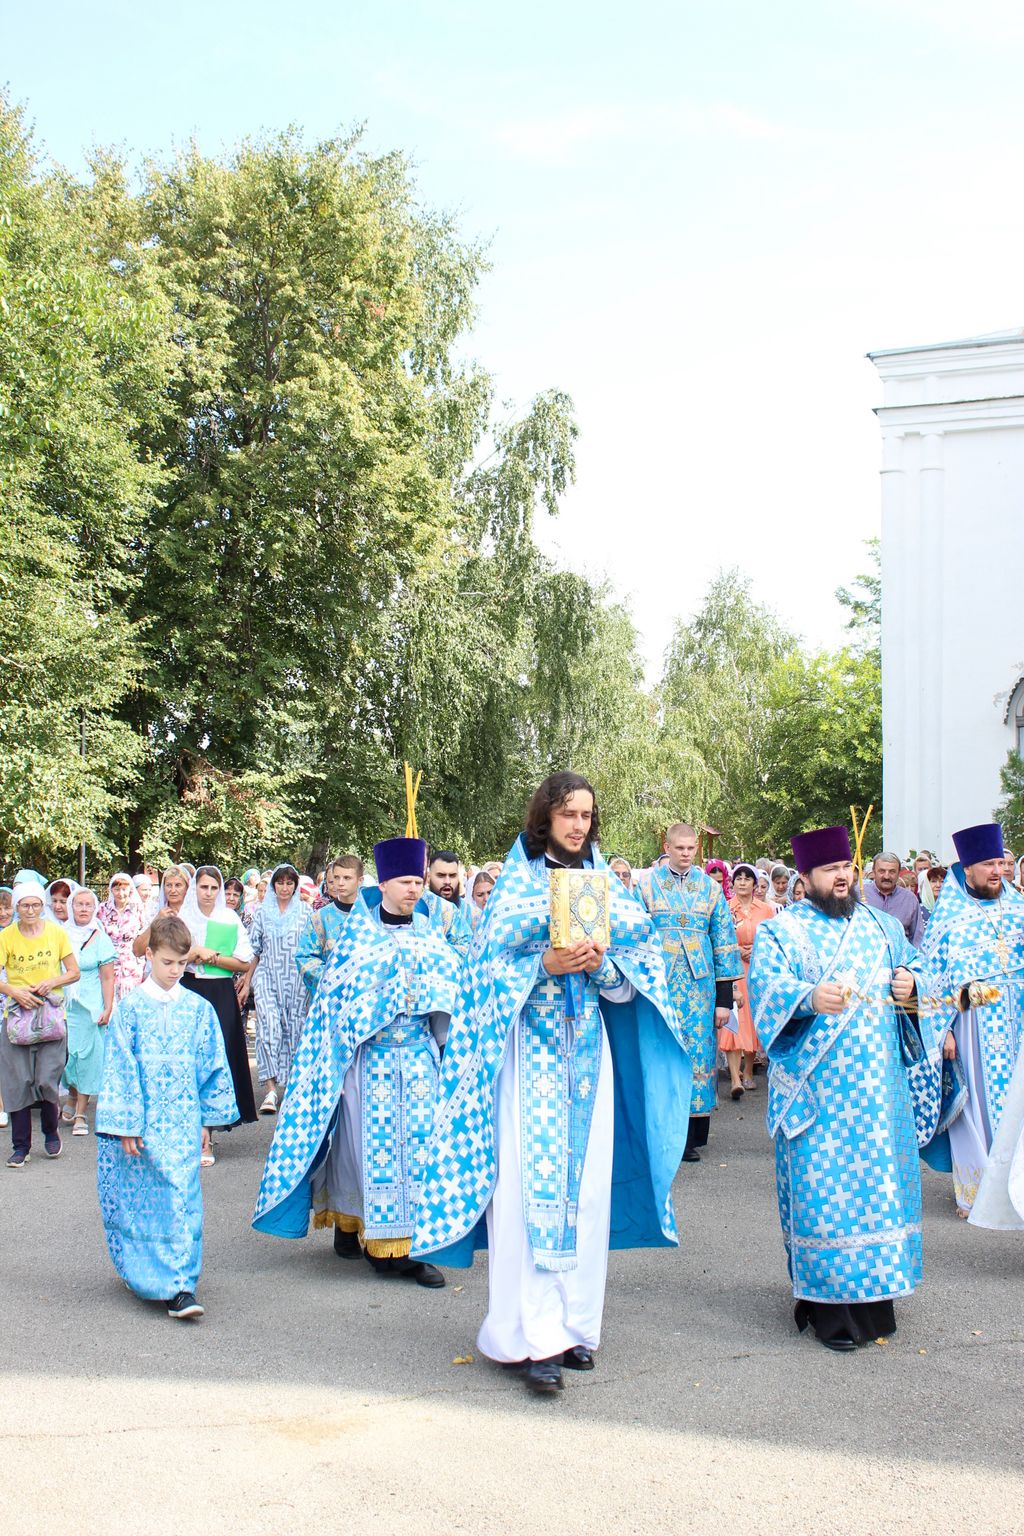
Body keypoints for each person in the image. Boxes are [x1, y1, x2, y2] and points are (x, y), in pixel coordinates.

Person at [411, 772, 692, 1396]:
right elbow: (482, 972)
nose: (578, 825)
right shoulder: (517, 883)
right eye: (568, 813)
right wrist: (544, 961)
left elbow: (639, 972)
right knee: (526, 1197)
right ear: (546, 816)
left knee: (584, 1197)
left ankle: (574, 1330)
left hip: (587, 1053)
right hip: (526, 1056)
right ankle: (528, 1339)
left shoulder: (606, 884)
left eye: (586, 815)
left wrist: (603, 966)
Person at [748, 825, 942, 1352]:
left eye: (846, 868)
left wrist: (912, 984)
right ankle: (828, 1309)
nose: (842, 877)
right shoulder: (783, 932)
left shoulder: (884, 926)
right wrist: (809, 998)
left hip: (879, 1095)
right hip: (819, 1093)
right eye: (830, 869)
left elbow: (922, 970)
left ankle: (877, 1303)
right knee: (824, 1198)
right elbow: (766, 991)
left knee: (878, 1196)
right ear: (806, 877)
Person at [253, 835, 462, 1289]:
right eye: (405, 881)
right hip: (367, 1062)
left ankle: (403, 1248)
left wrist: (446, 1049)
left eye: (418, 881)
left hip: (419, 1062)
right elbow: (335, 1002)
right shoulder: (358, 937)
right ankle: (365, 1235)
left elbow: (449, 999)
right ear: (383, 884)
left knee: (416, 1155)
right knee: (362, 1152)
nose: (414, 889)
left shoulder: (431, 935)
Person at [95, 913, 238, 1320]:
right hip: (141, 1126)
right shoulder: (130, 1010)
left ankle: (180, 1286)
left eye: (181, 963)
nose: (175, 971)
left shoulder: (198, 1009)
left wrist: (207, 1122)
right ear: (150, 956)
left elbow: (213, 1066)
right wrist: (125, 1125)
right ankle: (141, 1274)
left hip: (182, 1122)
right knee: (139, 1202)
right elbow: (119, 1068)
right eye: (167, 962)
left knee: (181, 1199)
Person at [918, 823, 1024, 1216]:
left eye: (1001, 863)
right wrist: (942, 1031)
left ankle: (1016, 1186)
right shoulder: (949, 919)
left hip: (1019, 1022)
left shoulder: (1019, 909)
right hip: (973, 1027)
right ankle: (978, 1190)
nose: (998, 871)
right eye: (989, 865)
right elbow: (931, 977)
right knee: (976, 1106)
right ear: (968, 869)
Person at [635, 822, 741, 1163]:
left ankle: (689, 1137)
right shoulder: (646, 885)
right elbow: (634, 937)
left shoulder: (710, 889)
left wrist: (724, 1001)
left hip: (700, 990)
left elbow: (723, 943)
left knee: (697, 1055)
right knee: (659, 1055)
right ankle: (657, 1132)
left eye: (691, 848)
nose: (685, 854)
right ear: (667, 847)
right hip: (658, 986)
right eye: (679, 848)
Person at [0, 880, 80, 1166]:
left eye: (35, 904)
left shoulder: (56, 933)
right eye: (25, 905)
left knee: (47, 1077)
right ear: (17, 907)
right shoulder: (7, 936)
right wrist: (14, 991)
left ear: (42, 906)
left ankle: (50, 1130)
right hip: (17, 1015)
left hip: (51, 1014)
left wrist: (51, 982)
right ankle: (20, 1146)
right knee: (17, 1081)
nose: (31, 910)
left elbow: (74, 972)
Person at [178, 866, 257, 1140]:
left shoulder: (228, 917)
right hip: (188, 987)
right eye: (204, 887)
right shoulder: (183, 917)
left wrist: (213, 957)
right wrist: (194, 954)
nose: (209, 893)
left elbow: (244, 961)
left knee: (218, 1055)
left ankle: (208, 1131)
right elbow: (171, 954)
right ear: (195, 888)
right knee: (190, 1056)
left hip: (220, 991)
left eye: (214, 888)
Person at [249, 864, 310, 1116]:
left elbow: (311, 948)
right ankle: (270, 1089)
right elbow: (254, 950)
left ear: (295, 886)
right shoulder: (262, 913)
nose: (284, 888)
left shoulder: (306, 912)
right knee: (268, 1029)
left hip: (296, 979)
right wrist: (246, 981)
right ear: (273, 885)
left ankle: (294, 1086)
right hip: (267, 976)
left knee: (295, 1031)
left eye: (289, 883)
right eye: (280, 882)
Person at [60, 888, 116, 1135]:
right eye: (79, 904)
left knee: (88, 1059)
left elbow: (108, 977)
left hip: (91, 1008)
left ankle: (81, 1112)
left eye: (88, 905)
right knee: (67, 1058)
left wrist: (108, 1007)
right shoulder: (60, 934)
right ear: (71, 907)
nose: (83, 909)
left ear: (94, 908)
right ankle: (72, 1096)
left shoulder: (100, 938)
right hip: (64, 1006)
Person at [719, 863, 773, 1097]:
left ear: (755, 884)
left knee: (752, 1020)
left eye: (747, 878)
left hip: (758, 969)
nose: (742, 882)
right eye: (738, 878)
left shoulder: (766, 910)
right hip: (733, 969)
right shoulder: (724, 908)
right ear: (732, 883)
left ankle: (749, 1070)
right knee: (734, 1018)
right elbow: (718, 938)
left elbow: (772, 939)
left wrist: (758, 950)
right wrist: (737, 950)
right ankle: (734, 1078)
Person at [295, 855, 363, 1001]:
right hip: (330, 999)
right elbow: (304, 957)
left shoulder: (371, 915)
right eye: (336, 877)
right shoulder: (319, 918)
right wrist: (334, 980)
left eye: (347, 878)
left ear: (360, 880)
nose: (340, 883)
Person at [864, 851, 924, 946]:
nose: (886, 876)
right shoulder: (859, 894)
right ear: (874, 871)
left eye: (892, 872)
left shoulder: (909, 899)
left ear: (899, 873)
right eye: (882, 871)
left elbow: (917, 938)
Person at [100, 872, 146, 996]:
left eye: (124, 889)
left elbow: (143, 932)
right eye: (117, 889)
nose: (121, 893)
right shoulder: (103, 909)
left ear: (130, 889)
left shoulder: (138, 909)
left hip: (131, 963)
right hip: (108, 961)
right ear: (111, 890)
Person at [424, 849, 473, 961]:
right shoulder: (419, 906)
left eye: (452, 875)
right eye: (441, 875)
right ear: (428, 877)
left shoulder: (473, 913)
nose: (447, 881)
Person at [132, 864, 190, 957]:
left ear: (187, 888)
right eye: (169, 885)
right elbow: (137, 951)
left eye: (178, 885)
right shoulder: (154, 911)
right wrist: (157, 921)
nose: (173, 890)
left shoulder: (194, 913)